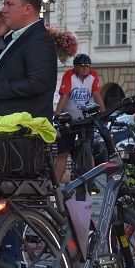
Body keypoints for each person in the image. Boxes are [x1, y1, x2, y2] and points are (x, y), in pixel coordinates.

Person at [53, 53, 106, 183]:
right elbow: (64, 96)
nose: (86, 69)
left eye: (87, 66)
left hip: (86, 120)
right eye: (82, 66)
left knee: (89, 150)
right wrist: (57, 116)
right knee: (63, 154)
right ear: (75, 67)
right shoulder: (69, 75)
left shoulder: (93, 75)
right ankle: (54, 186)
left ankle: (90, 182)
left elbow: (97, 95)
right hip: (69, 121)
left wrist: (104, 114)